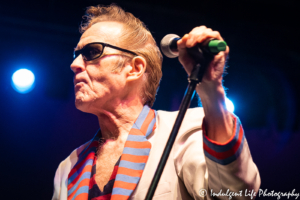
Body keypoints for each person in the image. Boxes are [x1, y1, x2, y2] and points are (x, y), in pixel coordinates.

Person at [52, 4, 260, 200]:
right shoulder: (69, 166)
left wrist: (210, 89)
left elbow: (234, 193)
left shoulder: (185, 131)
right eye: (76, 54)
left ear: (134, 68)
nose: (74, 64)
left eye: (91, 52)